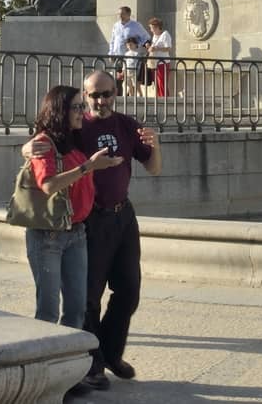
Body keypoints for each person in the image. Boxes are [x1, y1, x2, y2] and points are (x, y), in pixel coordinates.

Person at [28, 69, 162, 390]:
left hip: (123, 216)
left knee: (129, 290)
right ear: (85, 97)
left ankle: (111, 353)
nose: (101, 101)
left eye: (107, 94)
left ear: (116, 94)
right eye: (94, 95)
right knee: (88, 297)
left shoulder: (127, 125)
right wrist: (27, 148)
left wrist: (156, 145)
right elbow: (42, 142)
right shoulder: (76, 127)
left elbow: (154, 168)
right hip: (92, 218)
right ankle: (92, 364)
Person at [24, 84, 121, 378]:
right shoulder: (44, 143)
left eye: (82, 106)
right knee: (48, 310)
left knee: (77, 309)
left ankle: (66, 373)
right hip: (48, 237)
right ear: (60, 111)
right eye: (77, 107)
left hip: (77, 233)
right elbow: (49, 185)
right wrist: (88, 168)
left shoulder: (75, 139)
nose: (83, 111)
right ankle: (39, 373)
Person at [147, 17, 174, 98]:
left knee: (162, 83)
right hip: (154, 63)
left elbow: (168, 48)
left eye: (152, 28)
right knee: (157, 83)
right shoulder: (154, 36)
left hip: (163, 63)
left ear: (157, 27)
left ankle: (165, 101)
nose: (151, 30)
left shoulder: (165, 34)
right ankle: (159, 99)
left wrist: (156, 48)